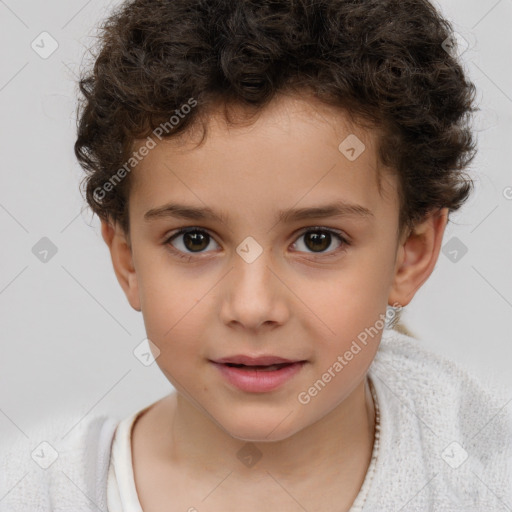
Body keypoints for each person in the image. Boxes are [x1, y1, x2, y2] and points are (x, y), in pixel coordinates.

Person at [1, 0, 511, 510]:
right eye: (194, 240)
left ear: (409, 255)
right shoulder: (37, 493)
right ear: (128, 259)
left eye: (317, 240)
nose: (252, 307)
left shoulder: (485, 481)